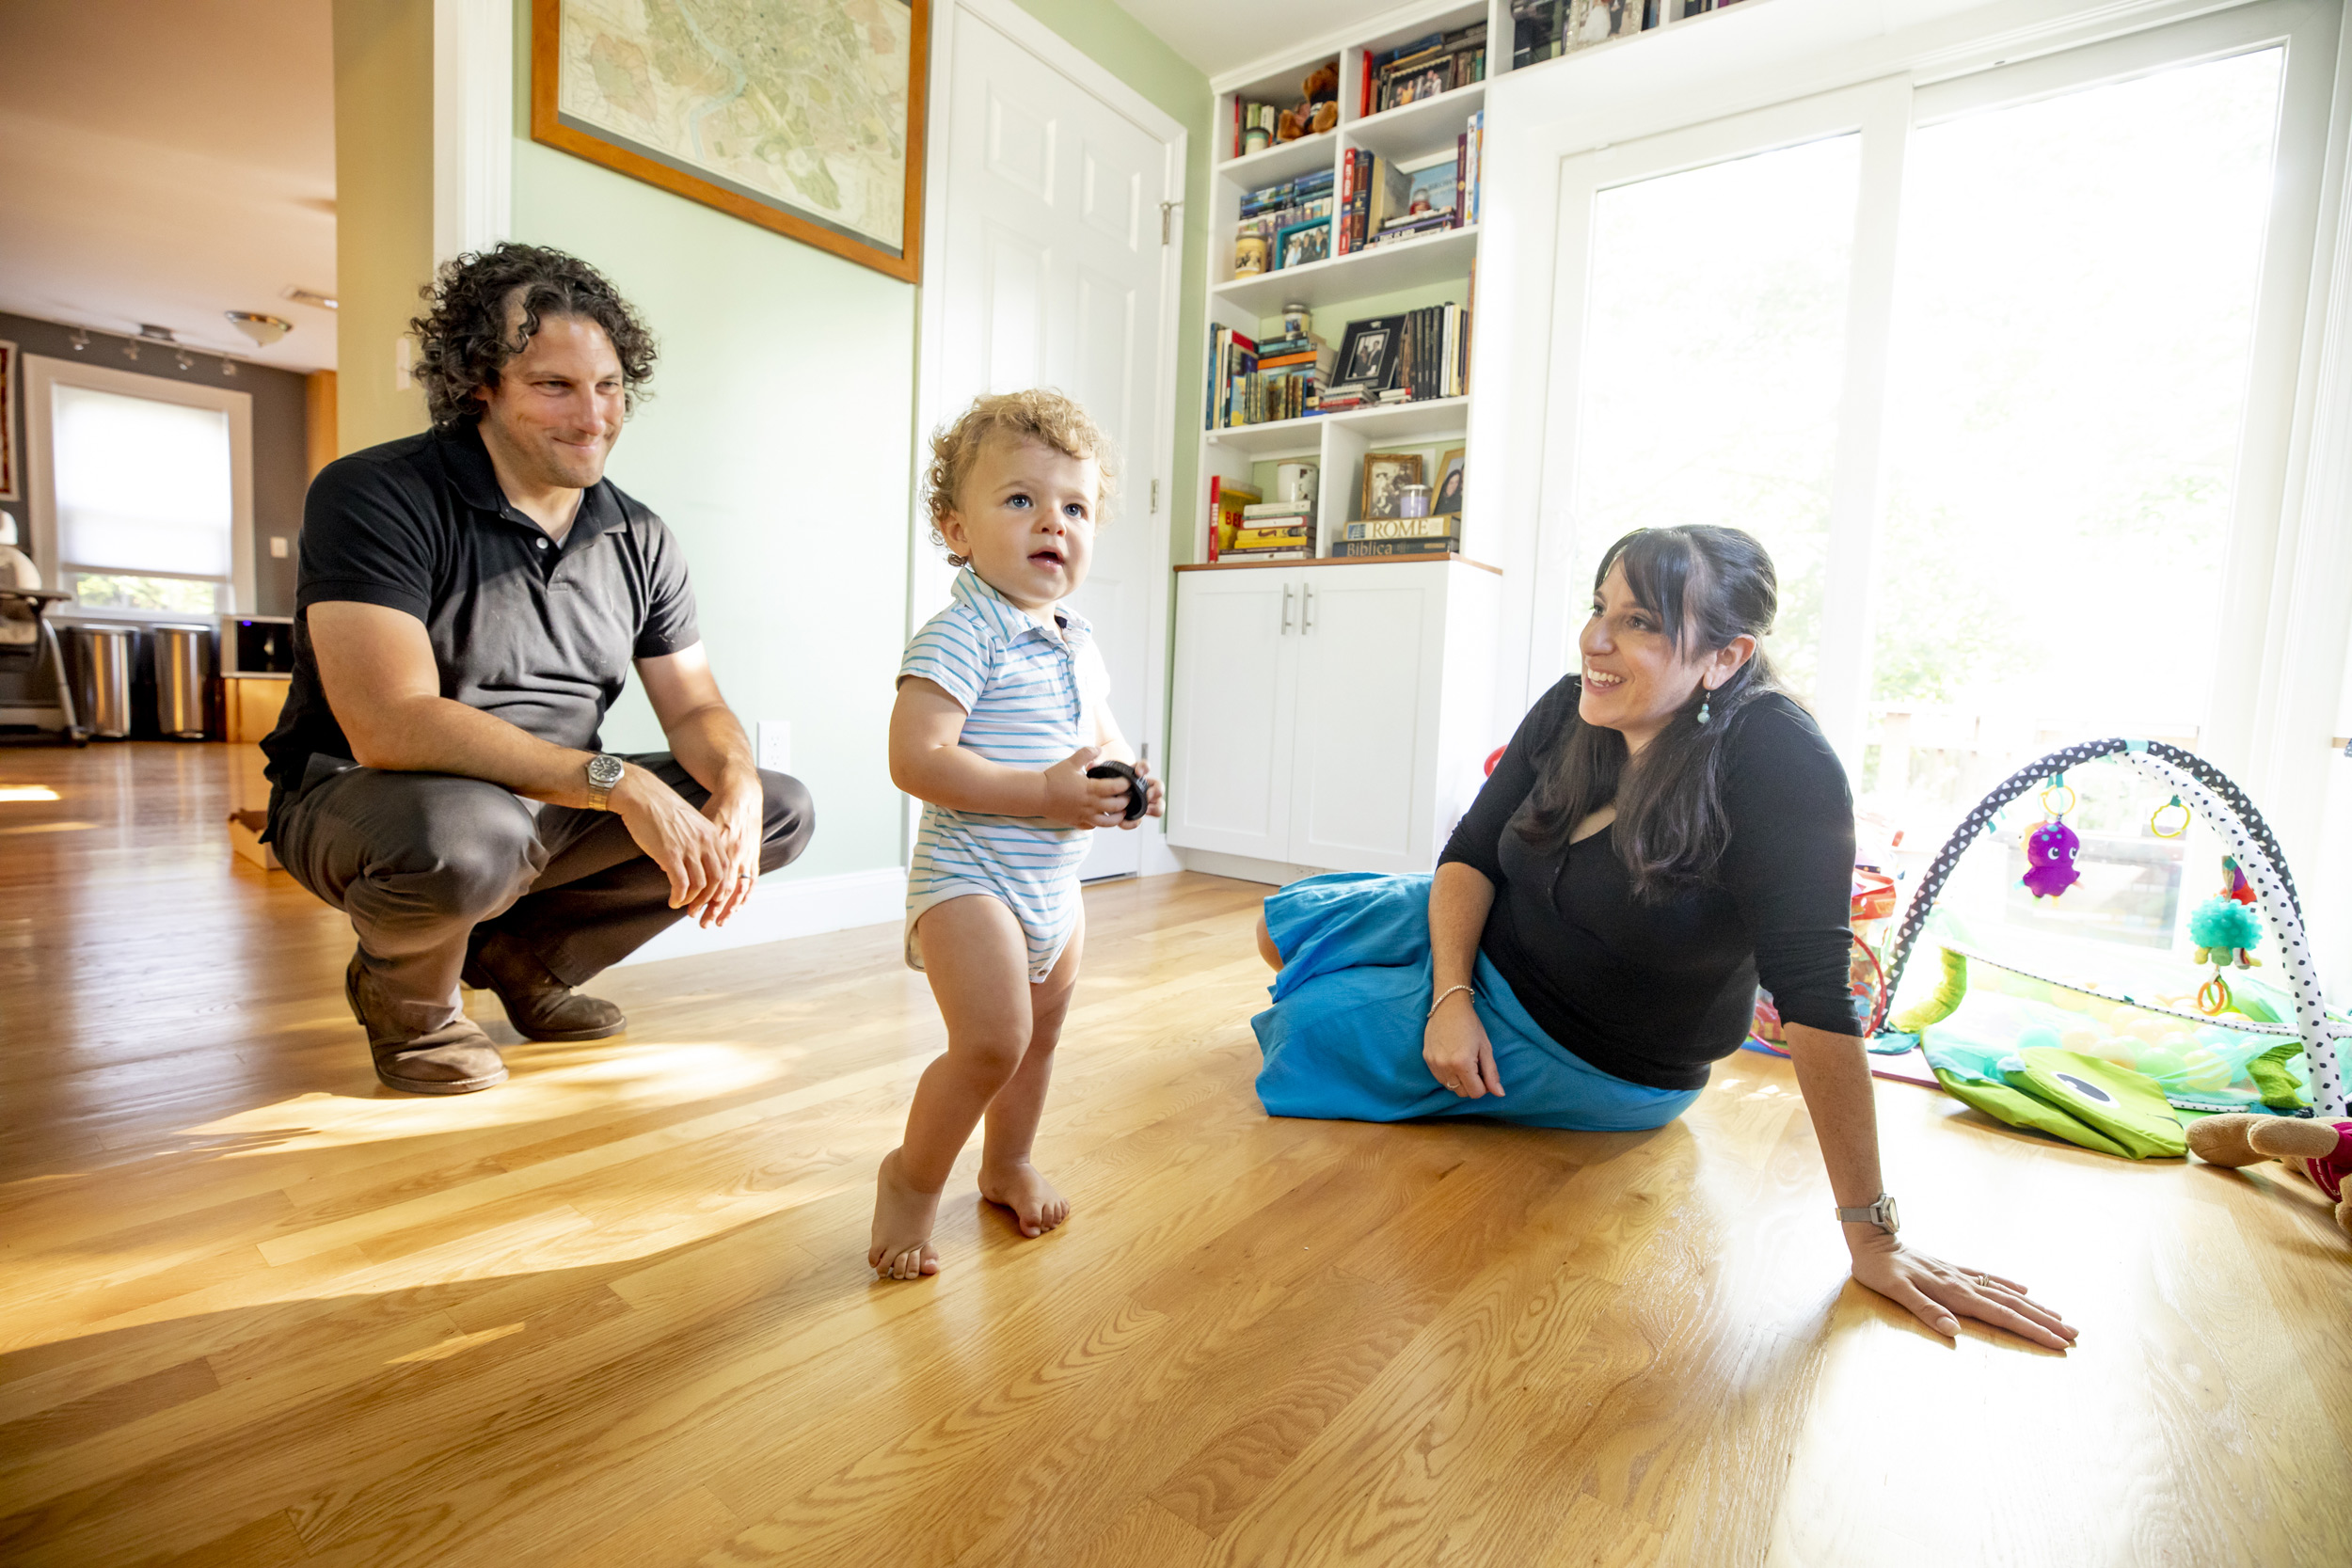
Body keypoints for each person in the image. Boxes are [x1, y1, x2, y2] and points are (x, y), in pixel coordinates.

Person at [1248, 526, 2077, 1351]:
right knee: (1277, 931)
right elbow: (1468, 854)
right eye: (1599, 606)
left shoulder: (1780, 765)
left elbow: (1819, 1001)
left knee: (1304, 1029)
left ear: (1724, 657)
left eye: (1640, 621)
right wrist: (1451, 994)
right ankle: (1425, 986)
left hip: (1590, 1047)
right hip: (1497, 941)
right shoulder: (1580, 704)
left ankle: (1407, 1003)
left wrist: (1874, 1236)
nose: (1596, 639)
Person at [262, 244, 814, 1095]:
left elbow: (695, 701)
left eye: (609, 386)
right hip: (368, 799)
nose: (592, 416)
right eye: (554, 386)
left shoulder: (642, 537)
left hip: (548, 807)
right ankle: (408, 1004)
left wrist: (733, 779)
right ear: (479, 384)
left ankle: (524, 957)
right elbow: (388, 721)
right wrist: (618, 782)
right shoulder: (374, 493)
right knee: (471, 835)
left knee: (779, 809)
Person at [870, 390, 1163, 1280]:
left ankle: (1006, 1163)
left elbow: (1101, 736)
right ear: (957, 529)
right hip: (971, 876)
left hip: (1053, 883)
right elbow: (915, 758)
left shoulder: (1075, 639)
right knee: (992, 1040)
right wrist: (1042, 791)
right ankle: (911, 1182)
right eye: (1021, 500)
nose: (1053, 524)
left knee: (1039, 1039)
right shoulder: (963, 633)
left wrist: (1130, 781)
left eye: (1074, 507)